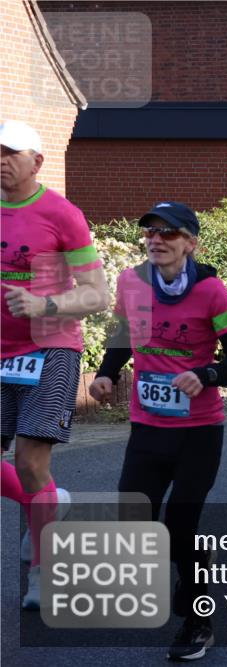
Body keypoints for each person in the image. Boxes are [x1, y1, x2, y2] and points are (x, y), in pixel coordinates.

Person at [90, 202, 227, 660]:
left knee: (180, 527)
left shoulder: (211, 291)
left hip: (199, 431)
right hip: (147, 424)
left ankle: (198, 623)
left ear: (191, 243)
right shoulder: (133, 282)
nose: (156, 240)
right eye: (151, 233)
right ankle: (195, 562)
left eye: (169, 233)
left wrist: (207, 373)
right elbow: (123, 335)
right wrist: (105, 374)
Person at [1, 120, 109, 608]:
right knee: (31, 480)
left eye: (10, 153)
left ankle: (43, 576)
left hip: (51, 347)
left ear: (36, 162)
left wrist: (43, 305)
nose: (1, 161)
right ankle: (45, 503)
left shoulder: (61, 214)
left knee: (29, 460)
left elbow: (97, 294)